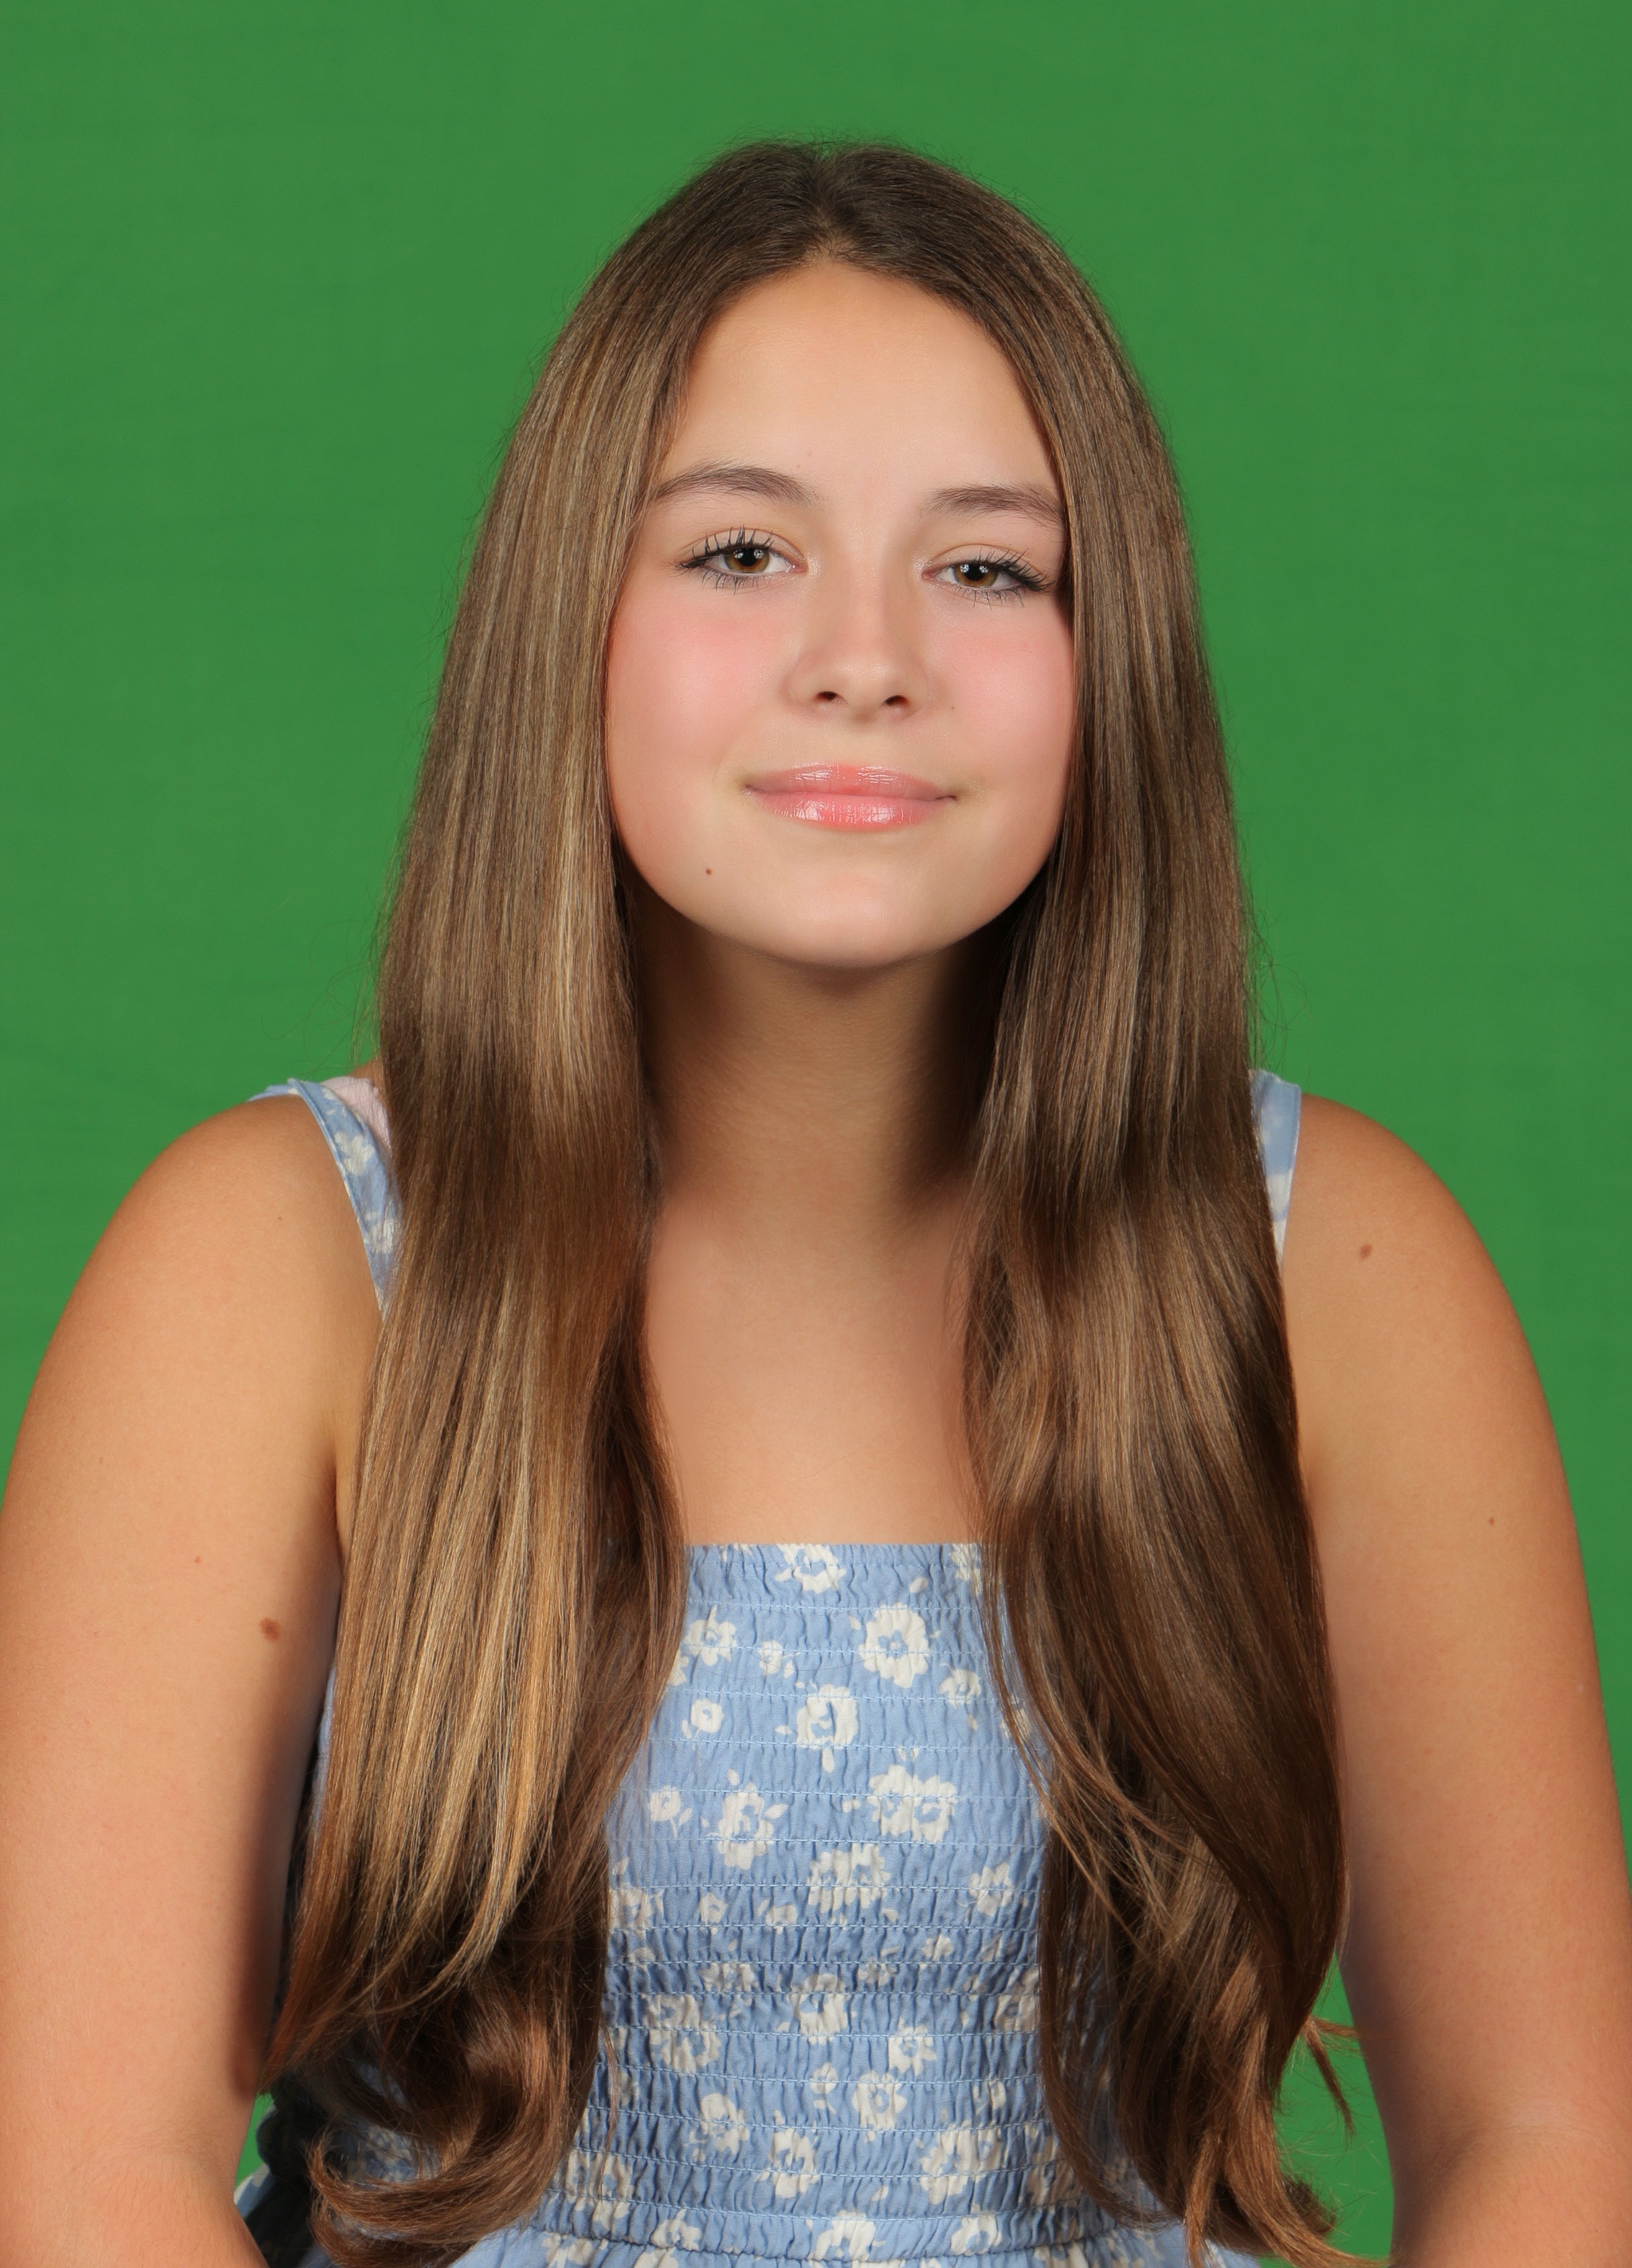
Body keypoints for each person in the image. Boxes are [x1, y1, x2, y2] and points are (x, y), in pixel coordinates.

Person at [0, 143, 1627, 2268]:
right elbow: (83, 2171)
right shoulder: (276, 1264)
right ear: (571, 618)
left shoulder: (1332, 1269)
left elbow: (1542, 2136)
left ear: (1111, 658)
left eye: (990, 569)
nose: (867, 659)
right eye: (743, 550)